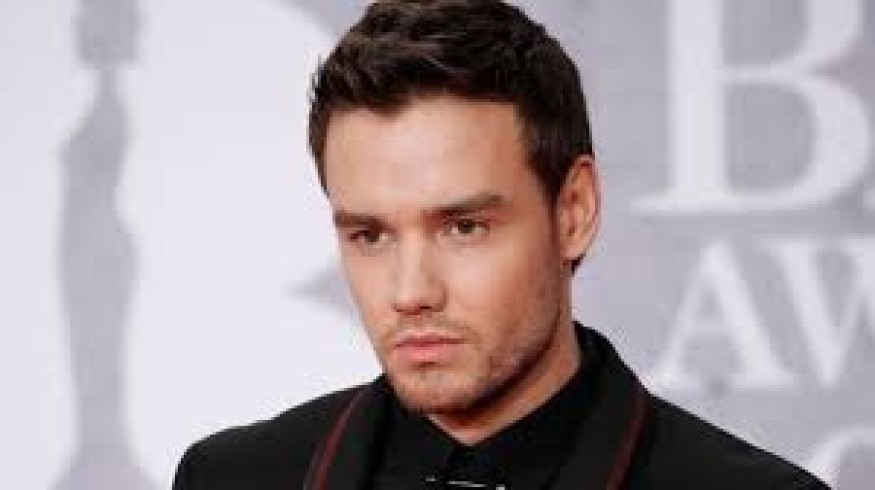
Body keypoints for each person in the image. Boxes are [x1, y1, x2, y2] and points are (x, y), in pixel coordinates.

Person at [172, 1, 829, 488]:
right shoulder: (229, 479)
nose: (410, 292)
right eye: (370, 235)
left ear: (573, 211)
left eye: (463, 227)